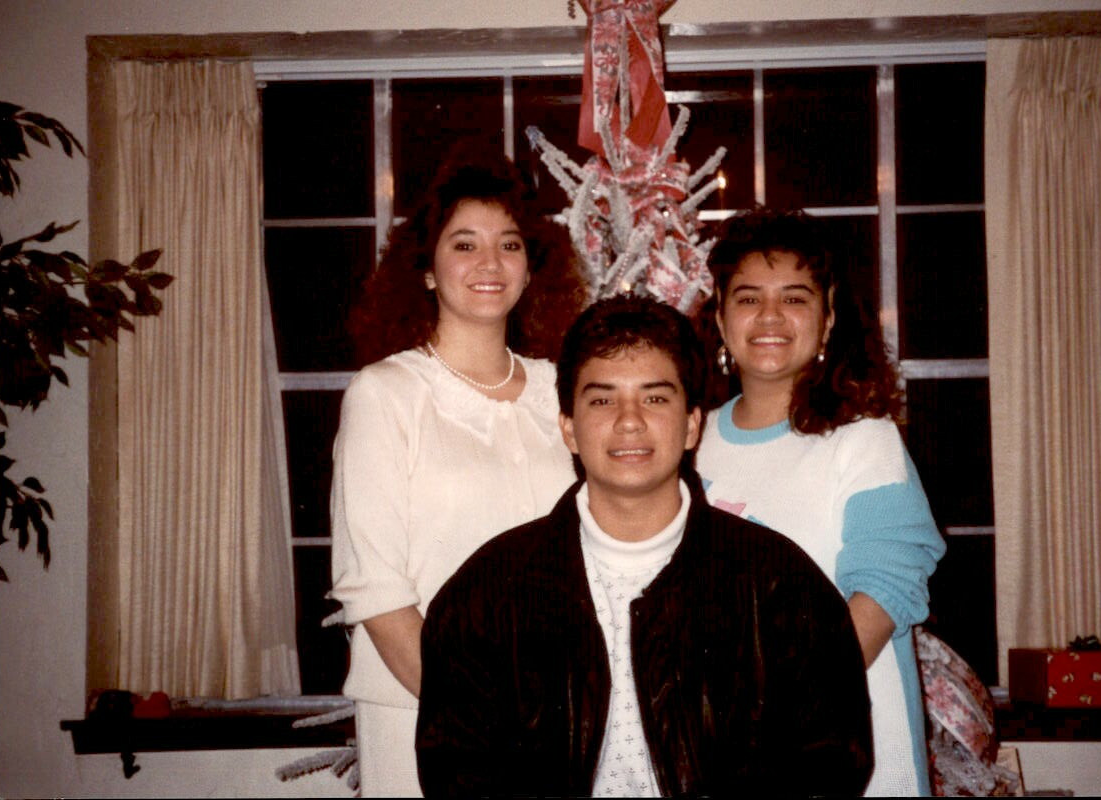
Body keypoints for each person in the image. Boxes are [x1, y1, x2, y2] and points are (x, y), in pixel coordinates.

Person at [417, 294, 874, 797]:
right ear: (568, 429)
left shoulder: (778, 583)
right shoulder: (487, 593)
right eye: (603, 400)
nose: (629, 421)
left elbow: (829, 766)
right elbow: (457, 775)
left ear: (692, 425)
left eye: (655, 399)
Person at [329, 153, 582, 797]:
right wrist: (479, 721)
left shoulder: (560, 389)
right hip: (423, 714)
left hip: (553, 717)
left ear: (531, 268)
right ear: (426, 268)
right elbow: (377, 594)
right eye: (464, 244)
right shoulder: (385, 394)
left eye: (509, 244)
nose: (489, 263)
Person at [695, 208, 947, 796]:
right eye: (749, 298)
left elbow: (883, 593)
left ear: (828, 317)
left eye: (795, 298)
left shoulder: (863, 439)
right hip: (723, 753)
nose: (770, 317)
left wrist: (775, 718)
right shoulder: (692, 442)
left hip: (843, 748)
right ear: (721, 317)